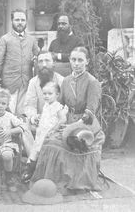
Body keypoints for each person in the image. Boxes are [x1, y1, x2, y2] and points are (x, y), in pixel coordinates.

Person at [29, 47, 105, 193]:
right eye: (73, 60)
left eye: (80, 60)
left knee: (68, 142)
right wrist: (53, 122)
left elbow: (89, 114)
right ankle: (50, 181)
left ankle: (71, 181)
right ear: (69, 61)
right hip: (68, 120)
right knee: (49, 139)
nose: (76, 63)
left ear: (87, 62)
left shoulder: (92, 82)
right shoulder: (66, 80)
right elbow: (61, 105)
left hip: (85, 125)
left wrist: (70, 127)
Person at [0, 9, 38, 115]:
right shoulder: (5, 39)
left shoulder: (31, 40)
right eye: (17, 20)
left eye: (23, 20)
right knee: (8, 113)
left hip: (26, 83)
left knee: (23, 114)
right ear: (11, 21)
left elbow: (39, 56)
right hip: (9, 84)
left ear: (26, 22)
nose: (20, 22)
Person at [22, 82, 67, 183]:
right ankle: (29, 170)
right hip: (41, 132)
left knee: (41, 152)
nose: (46, 96)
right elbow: (46, 116)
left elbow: (62, 119)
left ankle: (36, 172)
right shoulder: (46, 105)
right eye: (44, 94)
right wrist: (39, 118)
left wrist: (53, 130)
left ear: (57, 94)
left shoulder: (58, 107)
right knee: (35, 150)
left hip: (49, 134)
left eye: (50, 94)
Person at [24, 51, 64, 123]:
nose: (44, 64)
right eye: (41, 61)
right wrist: (34, 116)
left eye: (47, 61)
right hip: (40, 122)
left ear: (54, 63)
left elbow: (66, 105)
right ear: (37, 64)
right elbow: (30, 105)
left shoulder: (62, 81)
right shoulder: (33, 82)